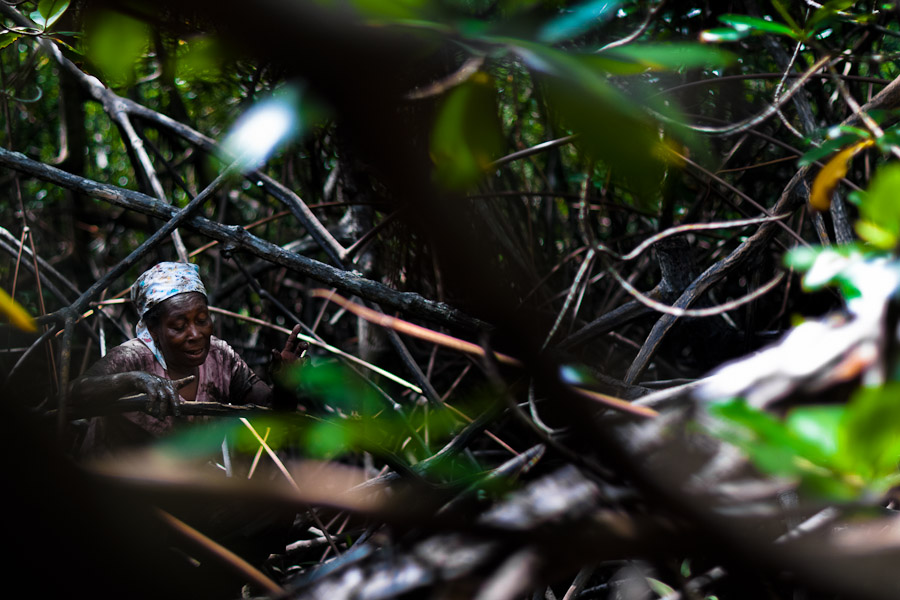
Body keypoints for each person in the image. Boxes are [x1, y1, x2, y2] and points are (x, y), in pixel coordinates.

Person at [71, 261, 306, 455]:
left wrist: (286, 387)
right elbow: (74, 394)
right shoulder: (132, 357)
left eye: (202, 320)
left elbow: (272, 411)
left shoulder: (220, 358)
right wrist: (135, 380)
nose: (195, 334)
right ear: (153, 331)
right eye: (179, 326)